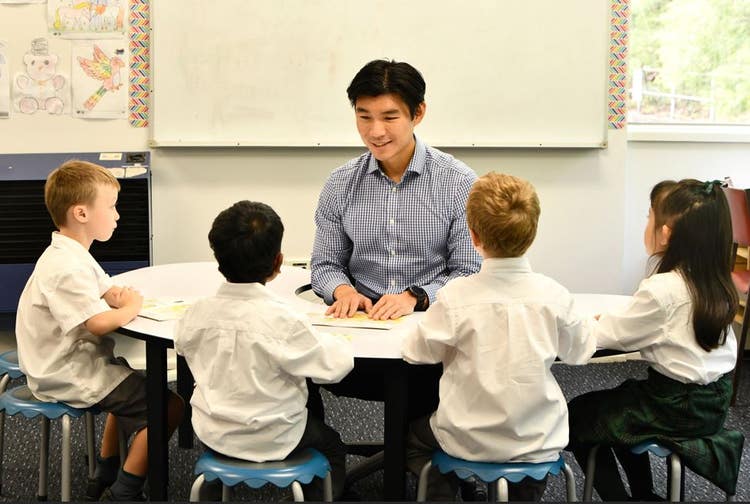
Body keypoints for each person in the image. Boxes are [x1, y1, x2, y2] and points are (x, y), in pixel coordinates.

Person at [402, 172, 597, 501]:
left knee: (411, 440)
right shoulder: (555, 295)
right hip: (537, 439)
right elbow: (580, 352)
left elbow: (418, 352)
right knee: (529, 465)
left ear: (474, 236)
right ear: (532, 234)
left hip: (466, 437)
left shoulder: (455, 296)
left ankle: (447, 493)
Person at [14, 160, 184, 501]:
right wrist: (130, 308)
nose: (117, 215)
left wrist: (116, 296)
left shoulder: (72, 252)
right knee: (169, 406)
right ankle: (125, 488)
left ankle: (106, 467)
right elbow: (97, 322)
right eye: (111, 207)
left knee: (131, 383)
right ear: (81, 213)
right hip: (65, 370)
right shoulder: (66, 267)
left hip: (72, 358)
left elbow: (104, 288)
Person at [567, 179, 743, 501]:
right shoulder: (718, 283)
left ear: (666, 233)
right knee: (621, 404)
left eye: (649, 217)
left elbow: (610, 335)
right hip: (714, 402)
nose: (646, 224)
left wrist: (593, 323)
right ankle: (645, 494)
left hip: (674, 406)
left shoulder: (663, 290)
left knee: (579, 414)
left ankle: (621, 499)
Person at [173, 200, 354, 501]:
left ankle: (214, 490)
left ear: (218, 260)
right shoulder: (284, 320)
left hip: (214, 433)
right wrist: (339, 340)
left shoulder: (198, 314)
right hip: (277, 435)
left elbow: (181, 342)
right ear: (278, 262)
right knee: (332, 445)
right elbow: (334, 368)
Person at [311, 58, 481, 321]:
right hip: (361, 322)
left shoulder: (458, 182)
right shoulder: (340, 183)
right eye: (364, 116)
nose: (376, 131)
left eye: (390, 117)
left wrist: (417, 297)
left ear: (418, 113)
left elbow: (469, 271)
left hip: (431, 321)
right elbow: (325, 264)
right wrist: (343, 292)